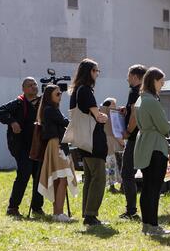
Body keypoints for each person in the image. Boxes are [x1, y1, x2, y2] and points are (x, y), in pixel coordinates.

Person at [0, 77, 44, 217]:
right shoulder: (18, 103)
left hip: (37, 146)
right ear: (23, 89)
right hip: (21, 147)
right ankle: (13, 208)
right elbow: (0, 112)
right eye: (30, 85)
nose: (34, 87)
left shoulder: (41, 103)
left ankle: (37, 207)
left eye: (35, 84)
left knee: (39, 175)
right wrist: (12, 122)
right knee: (24, 173)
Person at [69, 58, 109, 226]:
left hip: (84, 140)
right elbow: (98, 116)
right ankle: (91, 215)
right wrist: (105, 116)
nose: (97, 74)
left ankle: (88, 213)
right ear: (89, 72)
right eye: (95, 71)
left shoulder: (77, 90)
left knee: (90, 178)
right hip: (93, 140)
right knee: (98, 177)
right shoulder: (85, 90)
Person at [134, 67, 170, 235]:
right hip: (155, 146)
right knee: (154, 188)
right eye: (161, 81)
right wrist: (168, 125)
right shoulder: (151, 100)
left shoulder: (140, 99)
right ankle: (153, 225)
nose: (162, 84)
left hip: (144, 143)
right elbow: (164, 127)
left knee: (147, 188)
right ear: (153, 81)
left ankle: (147, 224)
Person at [37, 84, 78, 222]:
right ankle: (59, 213)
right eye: (57, 94)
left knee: (58, 178)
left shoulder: (50, 109)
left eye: (60, 93)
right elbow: (65, 122)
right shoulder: (50, 110)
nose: (60, 96)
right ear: (50, 96)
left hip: (56, 145)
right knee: (62, 179)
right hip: (57, 145)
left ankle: (57, 213)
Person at [119, 64, 146, 220]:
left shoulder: (134, 92)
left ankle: (131, 211)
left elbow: (135, 116)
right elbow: (133, 111)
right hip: (144, 137)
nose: (127, 78)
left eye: (129, 75)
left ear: (135, 77)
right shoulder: (146, 92)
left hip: (134, 137)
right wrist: (126, 110)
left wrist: (128, 131)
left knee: (127, 173)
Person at [100, 98, 123, 193]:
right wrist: (122, 142)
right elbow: (115, 131)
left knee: (112, 164)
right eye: (113, 104)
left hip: (110, 142)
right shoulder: (108, 114)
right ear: (108, 106)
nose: (115, 106)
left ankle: (113, 186)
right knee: (111, 164)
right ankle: (112, 187)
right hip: (110, 143)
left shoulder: (104, 113)